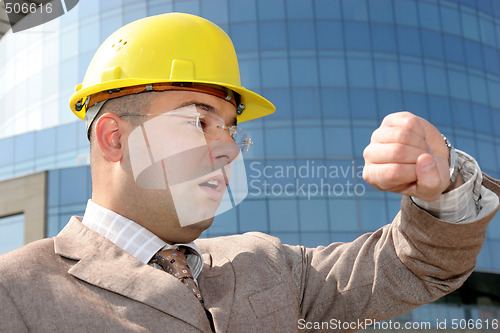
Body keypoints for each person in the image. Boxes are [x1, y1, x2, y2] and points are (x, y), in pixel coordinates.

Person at [1, 13, 499, 333]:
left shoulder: (268, 264)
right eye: (199, 121)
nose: (229, 151)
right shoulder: (17, 291)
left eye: (231, 130)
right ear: (115, 138)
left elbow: (412, 267)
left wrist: (443, 183)